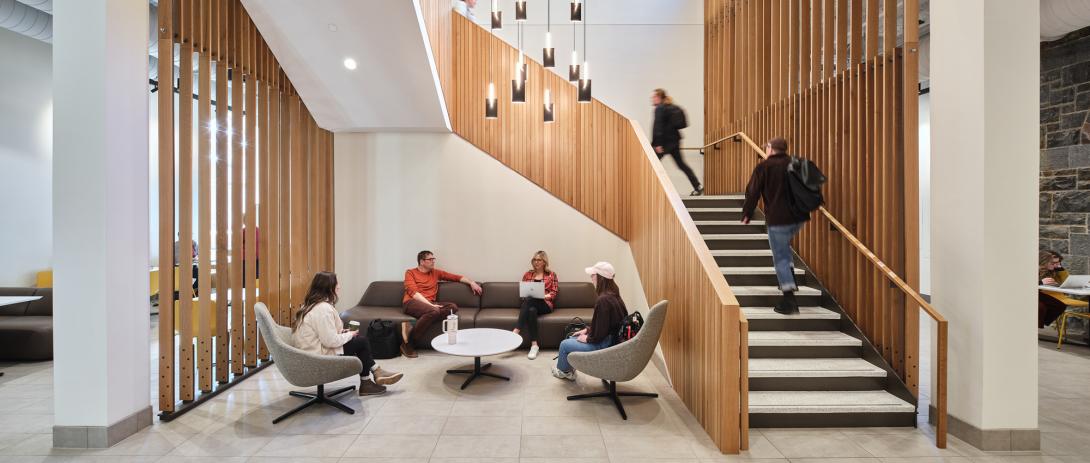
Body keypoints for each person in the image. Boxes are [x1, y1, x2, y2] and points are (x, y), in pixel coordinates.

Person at [291, 272, 404, 396]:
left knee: (358, 340)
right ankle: (372, 377)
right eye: (337, 284)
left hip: (308, 354)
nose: (339, 287)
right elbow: (330, 341)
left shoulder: (309, 306)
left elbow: (321, 333)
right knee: (361, 342)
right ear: (329, 287)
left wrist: (344, 333)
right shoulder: (323, 309)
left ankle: (373, 375)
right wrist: (349, 335)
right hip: (316, 358)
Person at [741, 137, 810, 315]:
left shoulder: (764, 167)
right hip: (798, 218)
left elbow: (752, 191)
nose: (765, 150)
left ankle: (789, 300)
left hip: (778, 219)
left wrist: (747, 213)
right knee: (784, 250)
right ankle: (790, 282)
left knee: (781, 257)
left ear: (771, 149)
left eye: (767, 148)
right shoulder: (795, 164)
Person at [553, 261, 628, 381]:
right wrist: (587, 330)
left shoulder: (603, 300)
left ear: (600, 277)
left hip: (604, 345)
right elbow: (605, 325)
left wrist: (588, 338)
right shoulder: (614, 295)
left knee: (564, 345)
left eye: (593, 275)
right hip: (611, 341)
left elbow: (599, 334)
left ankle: (564, 372)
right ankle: (568, 369)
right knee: (571, 337)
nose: (591, 277)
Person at [401, 250, 483, 358]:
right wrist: (431, 305)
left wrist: (471, 282)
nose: (433, 261)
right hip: (411, 302)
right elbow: (414, 293)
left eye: (433, 259)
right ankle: (408, 344)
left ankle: (412, 325)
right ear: (421, 261)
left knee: (452, 307)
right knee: (433, 311)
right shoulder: (410, 272)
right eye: (430, 259)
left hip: (429, 304)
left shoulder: (435, 273)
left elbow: (455, 277)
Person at [651, 88, 702, 196]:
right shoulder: (670, 107)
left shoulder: (660, 108)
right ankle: (697, 186)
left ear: (659, 97)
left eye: (654, 96)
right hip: (674, 141)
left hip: (663, 143)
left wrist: (657, 144)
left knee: (650, 164)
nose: (652, 98)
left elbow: (658, 127)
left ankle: (655, 191)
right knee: (681, 165)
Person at [513, 251, 559, 360]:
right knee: (532, 310)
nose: (536, 262)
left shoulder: (551, 275)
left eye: (539, 260)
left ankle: (516, 331)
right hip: (530, 304)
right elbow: (523, 292)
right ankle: (534, 346)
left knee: (531, 299)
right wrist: (526, 296)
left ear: (544, 262)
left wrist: (543, 296)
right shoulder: (528, 274)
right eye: (534, 260)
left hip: (545, 305)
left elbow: (554, 293)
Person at [1039, 250, 1072, 329]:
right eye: (1053, 263)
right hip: (1036, 293)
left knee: (1061, 305)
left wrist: (1060, 269)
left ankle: (1041, 323)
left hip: (1047, 294)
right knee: (1041, 307)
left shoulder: (1055, 270)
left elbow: (1067, 282)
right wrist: (1041, 282)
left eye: (1058, 262)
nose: (1056, 265)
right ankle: (1038, 326)